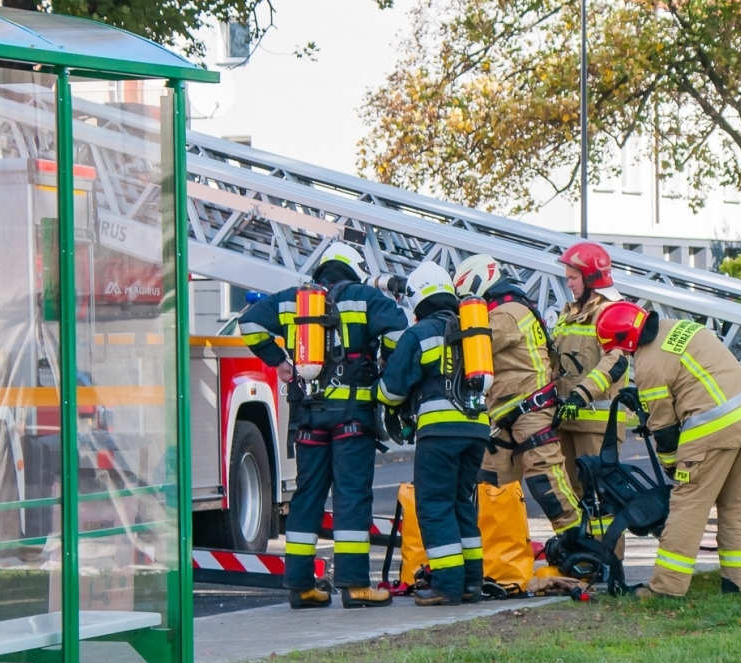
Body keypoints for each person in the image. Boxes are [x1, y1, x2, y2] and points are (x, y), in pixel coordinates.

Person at [238, 242, 406, 609]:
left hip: (308, 417)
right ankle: (355, 585)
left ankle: (300, 586)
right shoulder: (365, 297)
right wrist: (383, 361)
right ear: (353, 270)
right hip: (353, 419)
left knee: (307, 495)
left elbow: (248, 322)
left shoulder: (293, 300)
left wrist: (279, 360)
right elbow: (398, 331)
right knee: (351, 496)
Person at [594, 302, 741, 598]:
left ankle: (666, 589)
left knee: (687, 508)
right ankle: (738, 586)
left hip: (711, 433)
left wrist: (673, 468)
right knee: (738, 507)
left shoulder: (648, 366)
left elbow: (664, 430)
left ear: (624, 340)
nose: (625, 356)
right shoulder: (680, 328)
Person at [376, 262, 493, 606]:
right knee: (460, 504)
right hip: (476, 428)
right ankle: (471, 582)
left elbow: (392, 391)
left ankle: (446, 585)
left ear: (416, 298)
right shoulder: (472, 332)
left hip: (440, 434)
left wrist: (377, 385)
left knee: (434, 506)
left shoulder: (419, 333)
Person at [453, 253, 582, 537]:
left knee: (545, 482)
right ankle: (502, 557)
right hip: (503, 415)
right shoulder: (505, 308)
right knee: (493, 488)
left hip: (530, 411)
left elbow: (473, 344)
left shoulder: (507, 313)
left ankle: (580, 545)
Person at [551, 242, 633, 551]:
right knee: (573, 494)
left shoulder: (611, 311)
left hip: (598, 422)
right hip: (567, 419)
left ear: (591, 278)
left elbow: (616, 361)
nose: (568, 283)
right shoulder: (568, 312)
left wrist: (581, 395)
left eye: (573, 277)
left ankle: (608, 560)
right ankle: (582, 556)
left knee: (601, 495)